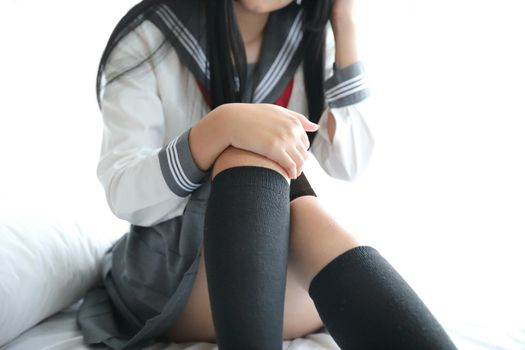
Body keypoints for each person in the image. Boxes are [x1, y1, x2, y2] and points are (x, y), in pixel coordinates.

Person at [76, 0, 458, 349]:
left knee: (297, 204)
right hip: (170, 283)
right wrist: (216, 130)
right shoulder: (152, 34)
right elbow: (123, 193)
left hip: (270, 288)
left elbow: (351, 163)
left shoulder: (310, 35)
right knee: (248, 153)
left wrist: (345, 23)